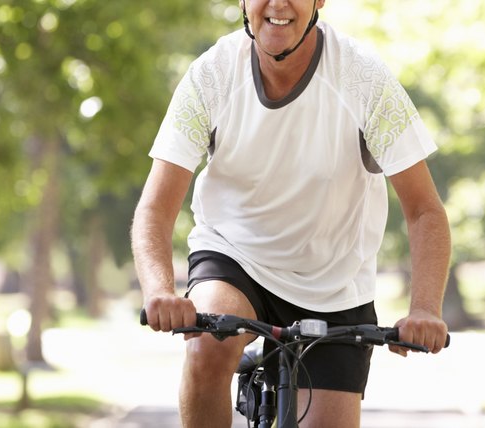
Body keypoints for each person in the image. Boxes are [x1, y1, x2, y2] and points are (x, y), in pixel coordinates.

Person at [131, 0, 451, 426]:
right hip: (236, 257)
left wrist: (425, 308)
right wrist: (159, 291)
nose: (278, 4)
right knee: (208, 345)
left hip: (335, 283)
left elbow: (425, 210)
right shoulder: (211, 75)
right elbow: (155, 207)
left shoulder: (364, 78)